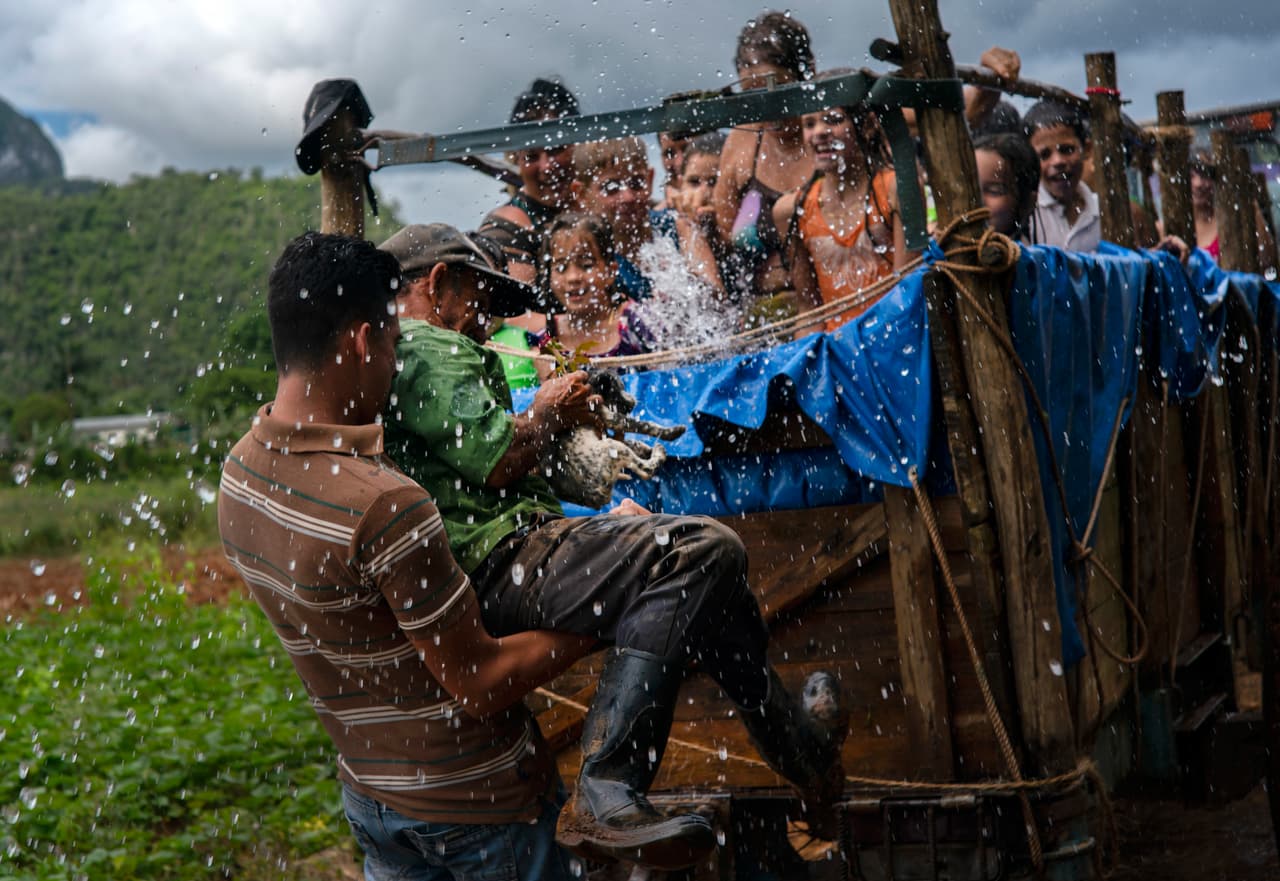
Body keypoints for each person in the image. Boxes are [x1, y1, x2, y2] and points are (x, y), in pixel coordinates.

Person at [378, 222, 848, 871]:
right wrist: (548, 409)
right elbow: (497, 458)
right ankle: (612, 782)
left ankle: (808, 756)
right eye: (482, 300)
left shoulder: (391, 353)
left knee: (708, 587)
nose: (487, 323)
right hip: (497, 560)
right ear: (439, 283)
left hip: (500, 556)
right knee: (703, 548)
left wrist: (607, 521)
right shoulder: (425, 343)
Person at [217, 232, 596, 881]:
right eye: (394, 342)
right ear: (363, 342)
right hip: (479, 809)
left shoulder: (238, 475)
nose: (395, 362)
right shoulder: (386, 502)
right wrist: (599, 612)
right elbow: (480, 681)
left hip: (370, 798)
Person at [773, 89, 913, 334]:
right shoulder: (791, 210)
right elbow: (810, 309)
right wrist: (803, 366)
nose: (819, 132)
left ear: (867, 126)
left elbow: (907, 291)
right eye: (809, 124)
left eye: (834, 120)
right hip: (837, 350)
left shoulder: (894, 189)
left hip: (896, 336)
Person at [573, 136, 723, 300]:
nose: (628, 197)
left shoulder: (678, 226)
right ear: (581, 194)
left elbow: (716, 299)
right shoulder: (586, 255)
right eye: (611, 188)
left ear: (650, 179)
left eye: (637, 182)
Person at [531, 212, 654, 377]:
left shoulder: (639, 324)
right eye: (561, 268)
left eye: (586, 265)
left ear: (611, 272)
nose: (573, 277)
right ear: (548, 276)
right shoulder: (547, 342)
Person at [1023, 101, 1101, 252]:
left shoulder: (1103, 212)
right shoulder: (1026, 215)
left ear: (1087, 149)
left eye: (1067, 150)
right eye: (1044, 155)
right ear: (1030, 160)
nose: (1058, 161)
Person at [974, 132, 1040, 241]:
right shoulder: (938, 250)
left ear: (1028, 202)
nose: (977, 201)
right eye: (972, 189)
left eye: (994, 191)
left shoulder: (1035, 256)